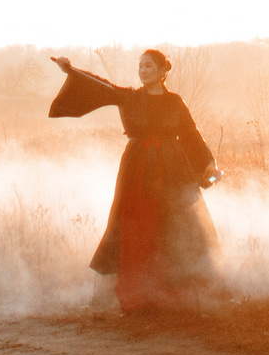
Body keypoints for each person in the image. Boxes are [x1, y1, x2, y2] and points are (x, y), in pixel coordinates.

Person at [48, 49, 222, 311]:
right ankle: (139, 291)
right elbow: (101, 86)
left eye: (149, 66)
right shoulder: (129, 97)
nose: (142, 71)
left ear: (164, 71)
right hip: (138, 169)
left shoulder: (175, 102)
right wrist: (71, 71)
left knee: (174, 223)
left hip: (172, 169)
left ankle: (174, 290)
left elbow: (191, 135)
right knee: (135, 224)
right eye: (140, 66)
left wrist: (208, 165)